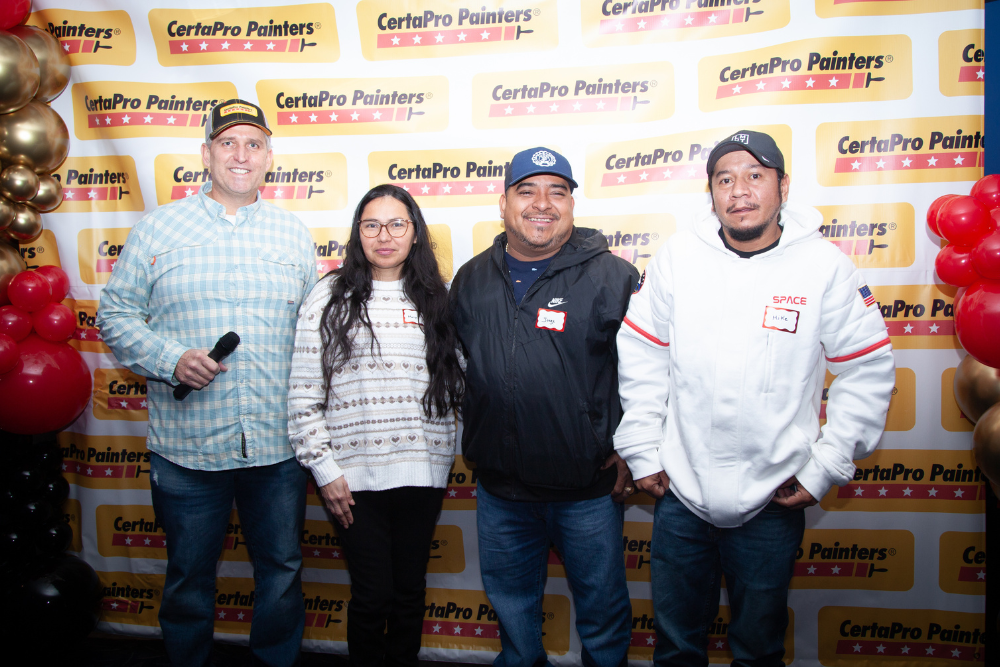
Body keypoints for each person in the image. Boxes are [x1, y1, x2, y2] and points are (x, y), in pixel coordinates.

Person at [613, 130, 895, 666]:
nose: (739, 191)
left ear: (782, 187)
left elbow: (866, 370)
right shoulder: (678, 258)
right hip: (681, 496)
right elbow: (642, 356)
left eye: (754, 176)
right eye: (725, 179)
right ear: (711, 193)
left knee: (759, 650)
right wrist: (643, 450)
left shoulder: (825, 267)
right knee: (675, 647)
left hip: (773, 498)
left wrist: (825, 466)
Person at [97, 99, 317, 667]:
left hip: (277, 449)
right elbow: (115, 315)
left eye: (253, 144)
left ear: (269, 158)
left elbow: (313, 335)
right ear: (206, 154)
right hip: (187, 448)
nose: (241, 155)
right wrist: (171, 359)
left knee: (281, 573)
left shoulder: (294, 234)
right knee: (189, 579)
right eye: (228, 142)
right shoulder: (157, 228)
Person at [450, 147, 637, 667]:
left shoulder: (614, 277)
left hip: (587, 492)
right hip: (501, 493)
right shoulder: (471, 279)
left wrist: (633, 448)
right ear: (503, 203)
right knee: (513, 616)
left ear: (572, 205)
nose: (542, 203)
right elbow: (457, 368)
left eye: (558, 192)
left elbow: (649, 375)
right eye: (527, 190)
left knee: (603, 615)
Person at [287, 184, 464, 667]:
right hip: (353, 480)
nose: (384, 236)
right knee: (372, 596)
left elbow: (458, 385)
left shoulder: (438, 299)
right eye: (372, 225)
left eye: (396, 224)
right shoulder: (328, 295)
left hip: (422, 474)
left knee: (409, 592)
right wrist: (325, 471)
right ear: (357, 233)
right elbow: (303, 394)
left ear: (415, 232)